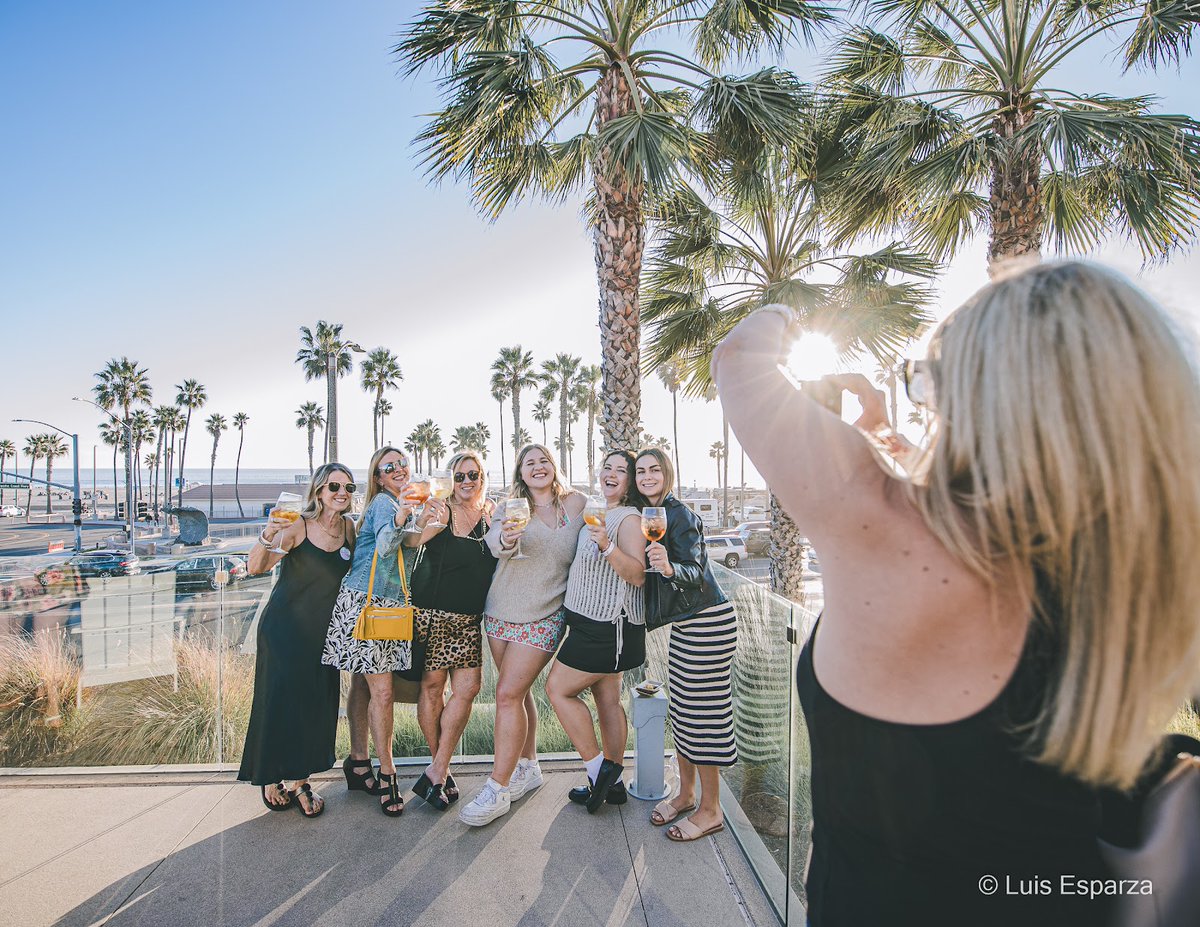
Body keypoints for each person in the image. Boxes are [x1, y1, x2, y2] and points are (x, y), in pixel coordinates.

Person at [712, 262, 1200, 926]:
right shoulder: (1135, 558)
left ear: (970, 390)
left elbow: (740, 358)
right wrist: (886, 437)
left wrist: (793, 307)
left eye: (928, 377)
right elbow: (994, 496)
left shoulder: (878, 515)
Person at [458, 444, 585, 827]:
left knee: (507, 694)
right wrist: (508, 540)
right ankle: (528, 767)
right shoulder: (509, 506)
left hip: (546, 615)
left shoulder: (576, 504)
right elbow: (496, 543)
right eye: (529, 463)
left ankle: (497, 788)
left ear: (554, 467)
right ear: (521, 473)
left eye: (544, 460)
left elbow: (604, 523)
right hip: (500, 611)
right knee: (519, 692)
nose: (538, 466)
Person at [239, 463, 357, 817]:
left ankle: (298, 778)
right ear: (319, 491)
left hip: (325, 635)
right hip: (285, 631)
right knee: (280, 705)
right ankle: (278, 778)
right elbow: (256, 567)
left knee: (313, 708)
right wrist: (266, 534)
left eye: (348, 487)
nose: (341, 493)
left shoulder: (350, 529)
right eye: (333, 486)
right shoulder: (297, 525)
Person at [635, 447, 737, 842]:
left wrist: (668, 566)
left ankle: (711, 811)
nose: (646, 476)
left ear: (667, 474)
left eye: (654, 470)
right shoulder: (651, 513)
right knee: (684, 711)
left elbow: (695, 572)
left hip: (709, 623)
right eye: (641, 470)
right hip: (688, 624)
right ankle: (687, 793)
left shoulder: (680, 515)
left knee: (705, 716)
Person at [547, 450, 646, 813]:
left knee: (557, 690)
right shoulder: (604, 512)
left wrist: (606, 545)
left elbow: (636, 574)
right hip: (596, 624)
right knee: (607, 700)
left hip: (608, 629)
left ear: (631, 481)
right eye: (607, 467)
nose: (611, 473)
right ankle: (615, 785)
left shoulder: (630, 519)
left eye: (621, 470)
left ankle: (597, 770)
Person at [321, 447, 415, 817]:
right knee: (383, 691)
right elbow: (388, 547)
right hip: (370, 602)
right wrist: (405, 515)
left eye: (402, 463)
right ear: (378, 477)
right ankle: (388, 773)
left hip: (373, 601)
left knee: (363, 684)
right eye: (388, 467)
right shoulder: (384, 505)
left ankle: (359, 764)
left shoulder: (395, 503)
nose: (398, 469)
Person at [405, 451, 496, 810]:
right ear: (451, 480)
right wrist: (423, 517)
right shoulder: (442, 510)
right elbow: (413, 542)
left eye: (473, 474)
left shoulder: (491, 514)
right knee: (432, 689)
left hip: (469, 619)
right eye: (459, 476)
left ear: (482, 477)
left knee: (468, 689)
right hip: (434, 613)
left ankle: (437, 770)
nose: (466, 481)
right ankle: (439, 767)